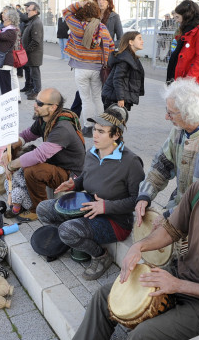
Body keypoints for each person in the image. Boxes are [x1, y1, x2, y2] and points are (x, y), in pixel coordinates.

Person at [73, 132, 199, 340]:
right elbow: (171, 230)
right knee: (103, 297)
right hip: (180, 276)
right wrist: (138, 247)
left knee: (143, 335)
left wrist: (178, 285)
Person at [37, 107, 145, 280]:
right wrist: (74, 184)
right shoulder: (91, 153)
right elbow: (85, 179)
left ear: (116, 135)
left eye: (101, 131)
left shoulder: (131, 162)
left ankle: (101, 256)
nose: (95, 134)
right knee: (43, 209)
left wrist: (106, 206)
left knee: (67, 230)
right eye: (95, 129)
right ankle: (71, 240)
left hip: (115, 221)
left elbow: (137, 201)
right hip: (88, 208)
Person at [136, 79, 199, 225]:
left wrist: (170, 214)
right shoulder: (179, 130)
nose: (166, 117)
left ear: (188, 114)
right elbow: (161, 165)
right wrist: (144, 195)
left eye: (170, 113)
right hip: (180, 206)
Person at [3, 88, 85, 222]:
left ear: (53, 107)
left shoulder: (62, 127)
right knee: (23, 155)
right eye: (36, 101)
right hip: (55, 163)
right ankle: (21, 198)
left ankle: (38, 209)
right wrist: (9, 149)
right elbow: (26, 135)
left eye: (40, 104)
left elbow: (39, 155)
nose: (35, 105)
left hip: (70, 173)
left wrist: (11, 165)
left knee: (32, 170)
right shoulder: (45, 119)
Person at [63, 0, 114, 137]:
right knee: (97, 97)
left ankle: (87, 127)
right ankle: (102, 126)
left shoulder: (77, 26)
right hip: (97, 69)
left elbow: (66, 12)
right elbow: (111, 46)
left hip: (81, 68)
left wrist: (79, 4)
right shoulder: (102, 28)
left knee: (85, 99)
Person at [70, 0, 124, 118]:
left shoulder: (114, 17)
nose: (101, 1)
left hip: (104, 59)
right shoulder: (91, 15)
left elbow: (120, 39)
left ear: (109, 1)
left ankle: (98, 118)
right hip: (88, 61)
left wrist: (105, 45)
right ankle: (74, 114)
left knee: (98, 92)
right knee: (84, 93)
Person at [167, 0, 199, 86]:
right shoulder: (188, 29)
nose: (177, 21)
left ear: (186, 16)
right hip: (183, 79)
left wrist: (188, 80)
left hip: (193, 82)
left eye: (178, 17)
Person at [101, 31, 145, 111]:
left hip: (118, 97)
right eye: (139, 39)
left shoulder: (131, 57)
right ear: (131, 42)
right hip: (114, 98)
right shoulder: (124, 59)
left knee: (115, 122)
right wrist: (120, 98)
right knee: (109, 122)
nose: (142, 41)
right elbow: (118, 79)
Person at [22, 2, 44, 100]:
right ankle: (34, 89)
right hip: (31, 53)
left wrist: (26, 51)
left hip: (34, 54)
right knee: (32, 73)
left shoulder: (36, 23)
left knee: (35, 74)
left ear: (35, 11)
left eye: (29, 10)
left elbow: (36, 41)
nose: (27, 12)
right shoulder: (32, 21)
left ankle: (37, 92)